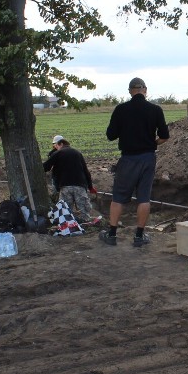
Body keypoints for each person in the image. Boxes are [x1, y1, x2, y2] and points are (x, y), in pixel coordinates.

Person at [100, 77, 169, 247]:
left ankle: (112, 234)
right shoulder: (155, 110)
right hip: (148, 158)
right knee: (144, 198)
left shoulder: (121, 109)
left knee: (118, 197)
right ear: (145, 90)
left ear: (130, 91)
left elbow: (110, 135)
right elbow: (165, 136)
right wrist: (153, 143)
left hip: (128, 158)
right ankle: (139, 236)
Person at [43, 135, 95, 222]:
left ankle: (69, 226)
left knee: (65, 211)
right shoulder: (78, 153)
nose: (55, 148)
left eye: (56, 145)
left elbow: (46, 167)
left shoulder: (58, 153)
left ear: (61, 144)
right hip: (80, 186)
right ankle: (86, 226)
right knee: (84, 212)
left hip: (65, 186)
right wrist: (90, 187)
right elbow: (86, 171)